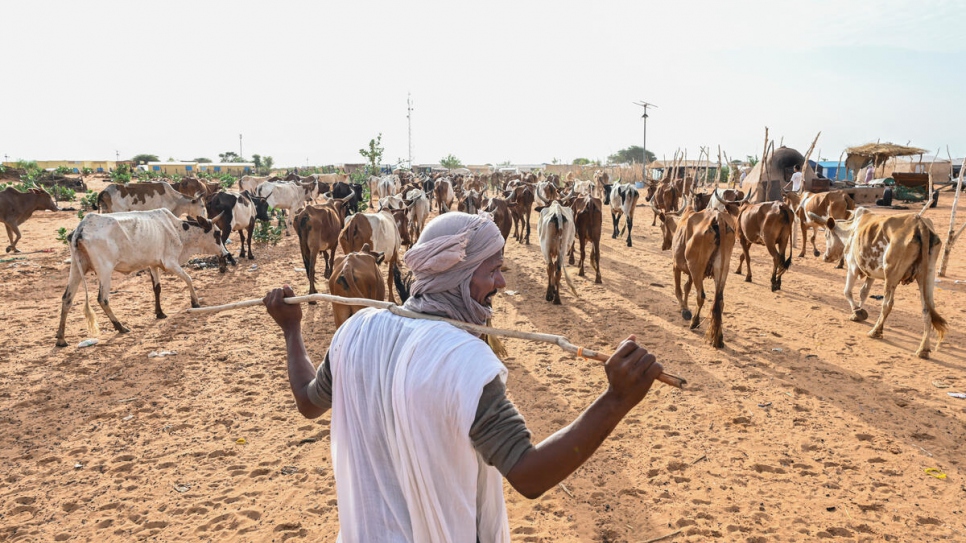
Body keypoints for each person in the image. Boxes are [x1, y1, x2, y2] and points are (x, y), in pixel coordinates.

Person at [264, 212, 664, 542]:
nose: (502, 283)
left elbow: (306, 399)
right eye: (492, 270)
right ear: (459, 274)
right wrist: (615, 400)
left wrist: (291, 330)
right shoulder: (463, 362)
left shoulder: (355, 332)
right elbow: (528, 474)